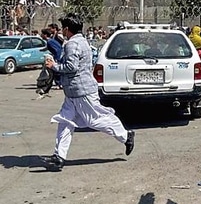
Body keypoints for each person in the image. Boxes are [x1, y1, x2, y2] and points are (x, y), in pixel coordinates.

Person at [42, 13, 135, 171]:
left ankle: (126, 136)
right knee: (64, 122)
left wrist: (53, 66)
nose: (62, 32)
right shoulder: (80, 41)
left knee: (95, 120)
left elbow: (71, 67)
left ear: (66, 29)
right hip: (73, 92)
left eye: (63, 29)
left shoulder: (72, 44)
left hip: (81, 91)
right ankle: (59, 157)